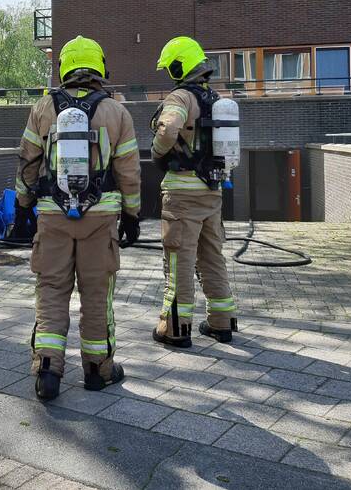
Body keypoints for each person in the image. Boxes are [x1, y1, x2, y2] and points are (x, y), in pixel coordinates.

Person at [12, 36, 141, 400]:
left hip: (53, 215)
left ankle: (48, 369)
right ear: (99, 67)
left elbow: (28, 162)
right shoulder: (117, 112)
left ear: (64, 67)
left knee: (52, 291)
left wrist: (23, 205)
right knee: (97, 294)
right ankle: (98, 370)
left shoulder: (42, 108)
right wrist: (132, 214)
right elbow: (129, 171)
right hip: (101, 218)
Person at [151, 36, 237, 348]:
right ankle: (221, 321)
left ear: (178, 66)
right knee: (212, 256)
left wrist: (157, 151)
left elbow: (168, 128)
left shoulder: (181, 97)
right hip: (212, 192)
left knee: (179, 260)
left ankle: (175, 328)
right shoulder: (216, 99)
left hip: (182, 196)